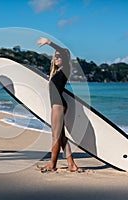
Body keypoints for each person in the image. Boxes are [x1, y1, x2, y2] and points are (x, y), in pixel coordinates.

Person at [37, 37, 80, 172]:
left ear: (64, 58)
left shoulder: (66, 68)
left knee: (55, 136)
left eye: (59, 56)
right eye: (55, 56)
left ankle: (52, 164)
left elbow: (62, 51)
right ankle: (71, 164)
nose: (57, 58)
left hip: (58, 105)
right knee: (60, 137)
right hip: (57, 104)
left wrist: (49, 43)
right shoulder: (56, 72)